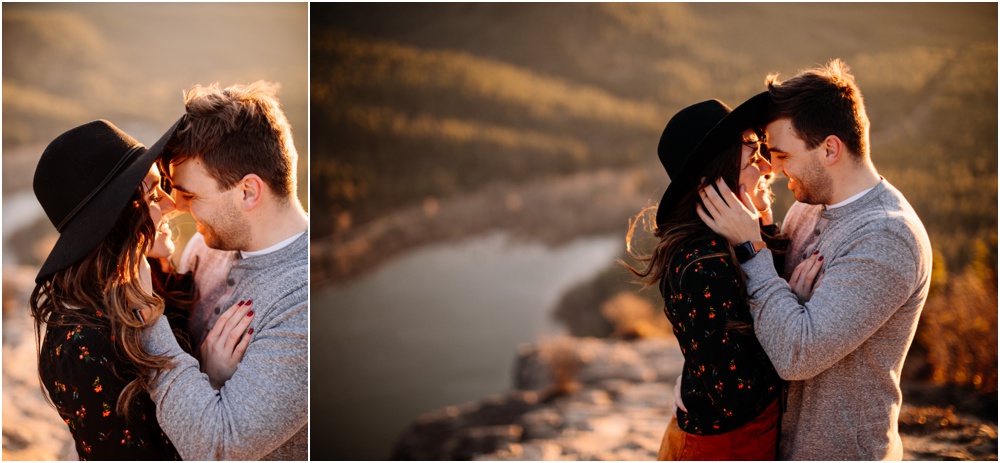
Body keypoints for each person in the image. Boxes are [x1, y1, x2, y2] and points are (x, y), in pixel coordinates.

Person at [697, 59, 933, 460]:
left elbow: (796, 354)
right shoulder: (807, 208)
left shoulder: (888, 237)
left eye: (782, 154)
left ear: (829, 149)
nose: (770, 168)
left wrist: (751, 248)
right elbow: (770, 311)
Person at [29, 119, 249, 460]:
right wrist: (212, 379)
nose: (171, 204)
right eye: (150, 193)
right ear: (116, 219)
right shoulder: (80, 347)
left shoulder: (153, 277)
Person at [625, 93, 820, 460]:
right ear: (714, 178)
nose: (767, 167)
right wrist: (793, 305)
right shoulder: (702, 261)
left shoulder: (729, 241)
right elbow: (739, 396)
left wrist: (760, 224)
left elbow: (725, 336)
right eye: (752, 156)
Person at [141, 81, 309, 460]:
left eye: (190, 194)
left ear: (248, 192)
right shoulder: (206, 245)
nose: (176, 207)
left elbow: (217, 447)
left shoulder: (303, 303)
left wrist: (146, 321)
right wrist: (206, 372)